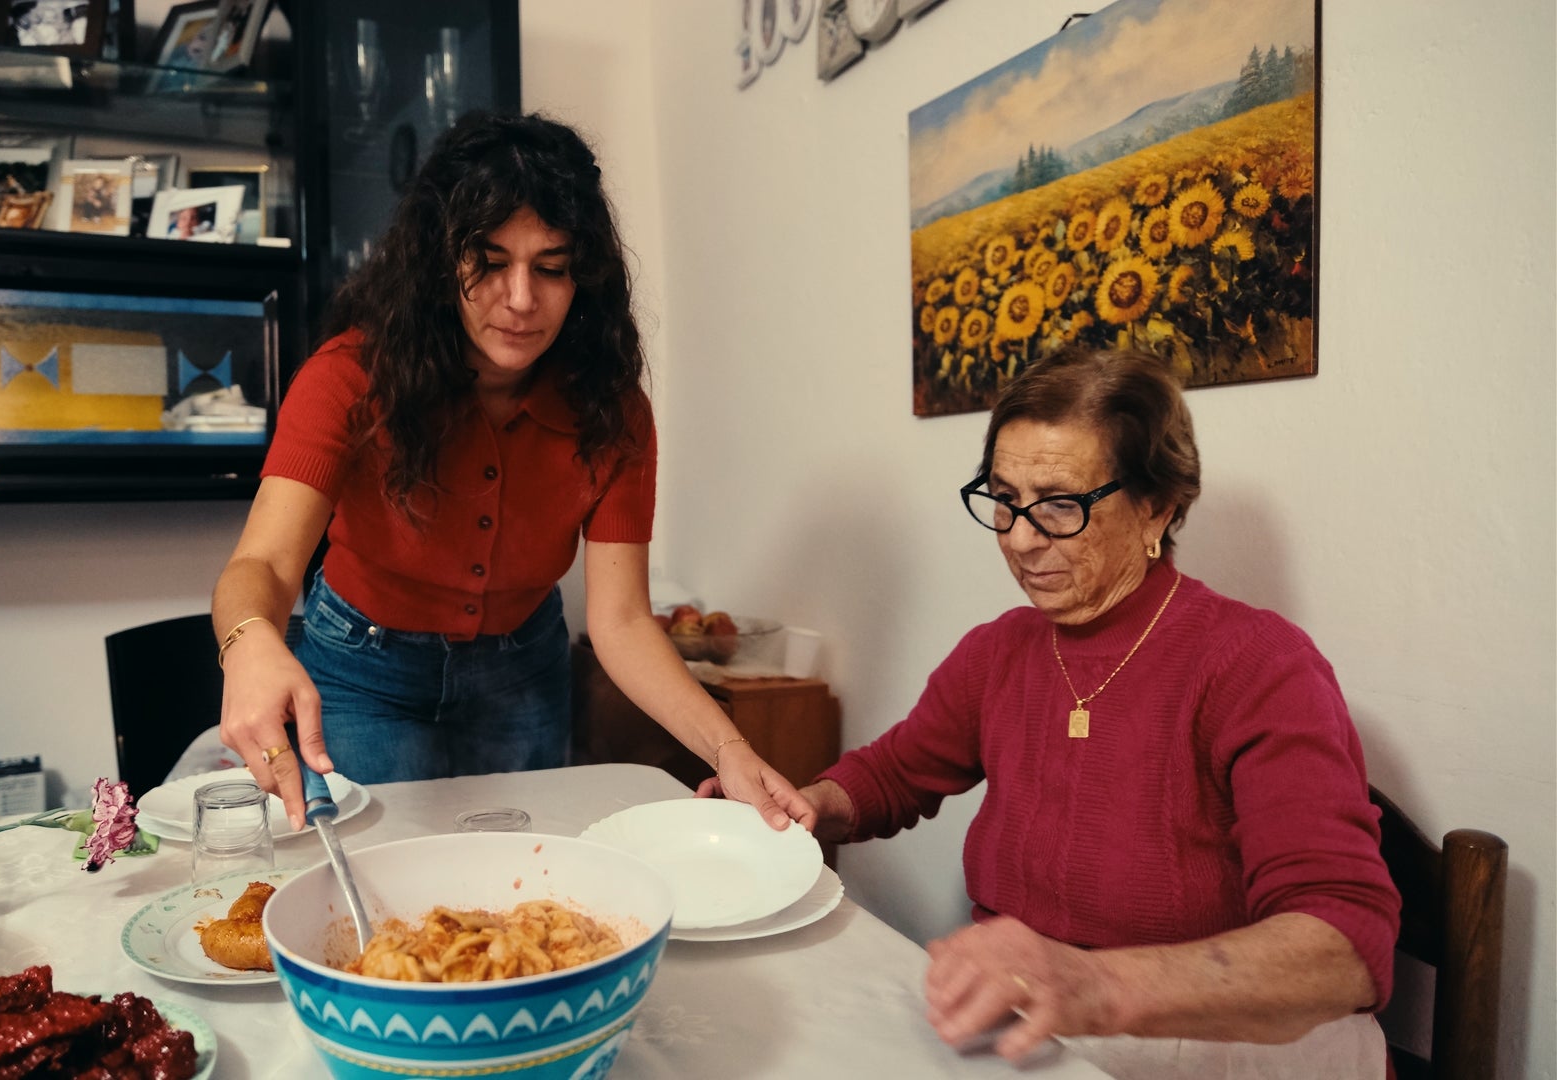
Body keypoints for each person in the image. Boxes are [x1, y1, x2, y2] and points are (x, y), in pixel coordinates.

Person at [715, 347, 1399, 1079]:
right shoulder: (1001, 650)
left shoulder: (1258, 664)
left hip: (1208, 1032)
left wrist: (1092, 984)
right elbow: (894, 774)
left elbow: (1345, 949)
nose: (1018, 536)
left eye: (1059, 505)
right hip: (1046, 1020)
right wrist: (808, 804)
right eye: (1003, 498)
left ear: (1157, 508)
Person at [213, 111, 812, 834]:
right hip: (362, 672)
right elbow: (266, 565)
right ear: (440, 261)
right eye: (490, 262)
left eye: (552, 268)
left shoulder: (614, 411)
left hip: (522, 673)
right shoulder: (349, 376)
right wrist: (248, 645)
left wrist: (730, 746)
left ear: (582, 277)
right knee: (376, 886)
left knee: (521, 886)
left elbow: (620, 619)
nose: (523, 299)